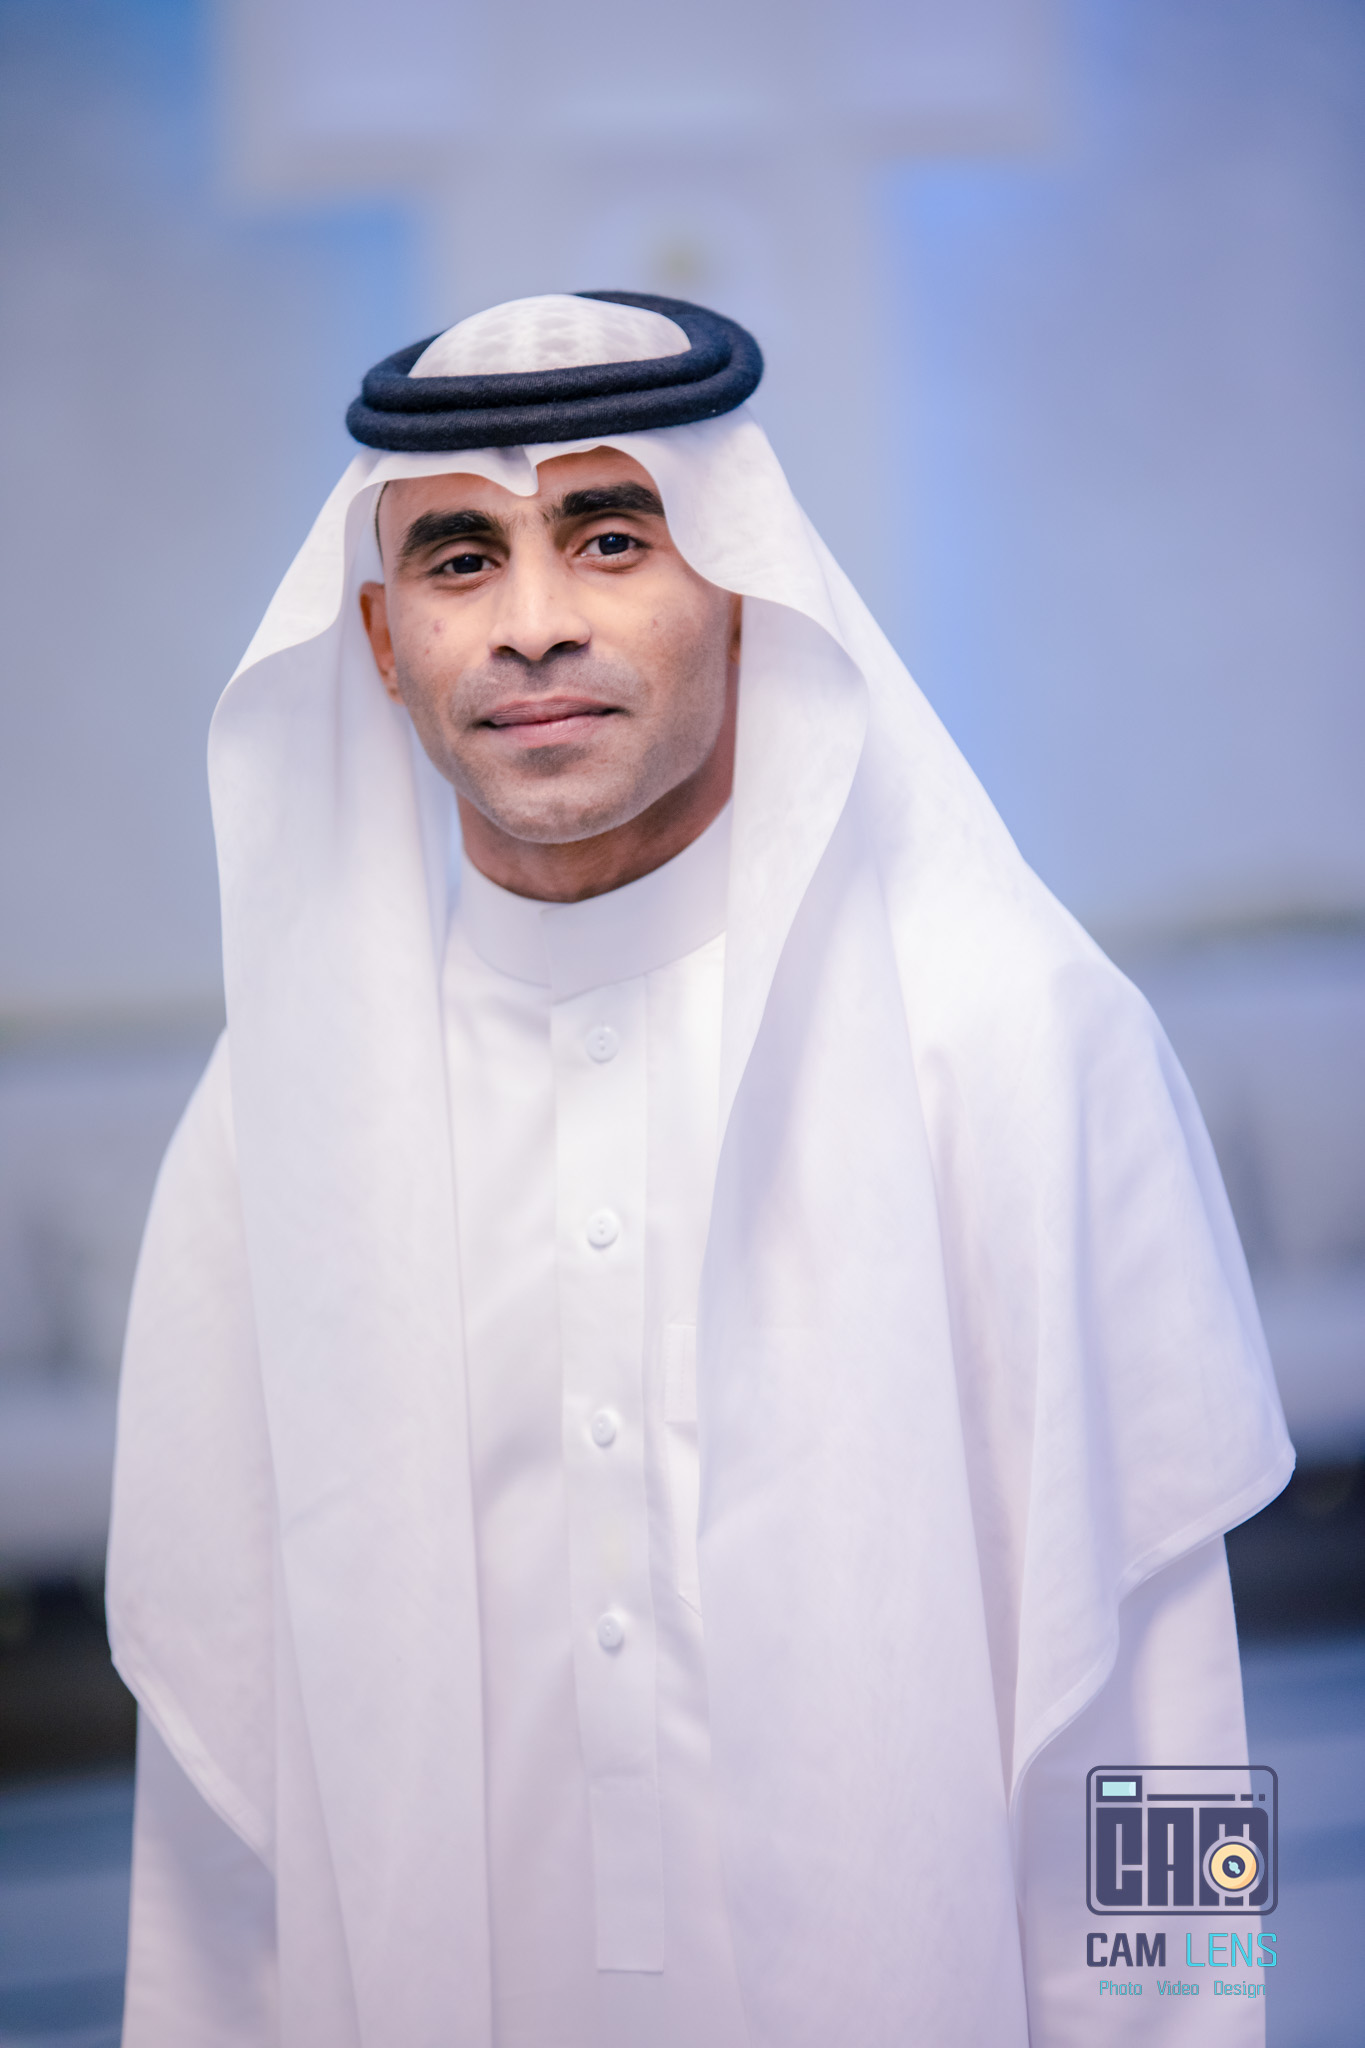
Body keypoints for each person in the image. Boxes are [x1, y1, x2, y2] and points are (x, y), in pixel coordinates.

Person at [107, 291, 1292, 2048]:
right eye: (459, 560)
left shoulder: (1007, 1039)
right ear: (378, 642)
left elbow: (1159, 1712)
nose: (532, 625)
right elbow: (218, 1788)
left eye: (609, 538)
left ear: (740, 586)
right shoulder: (276, 1111)